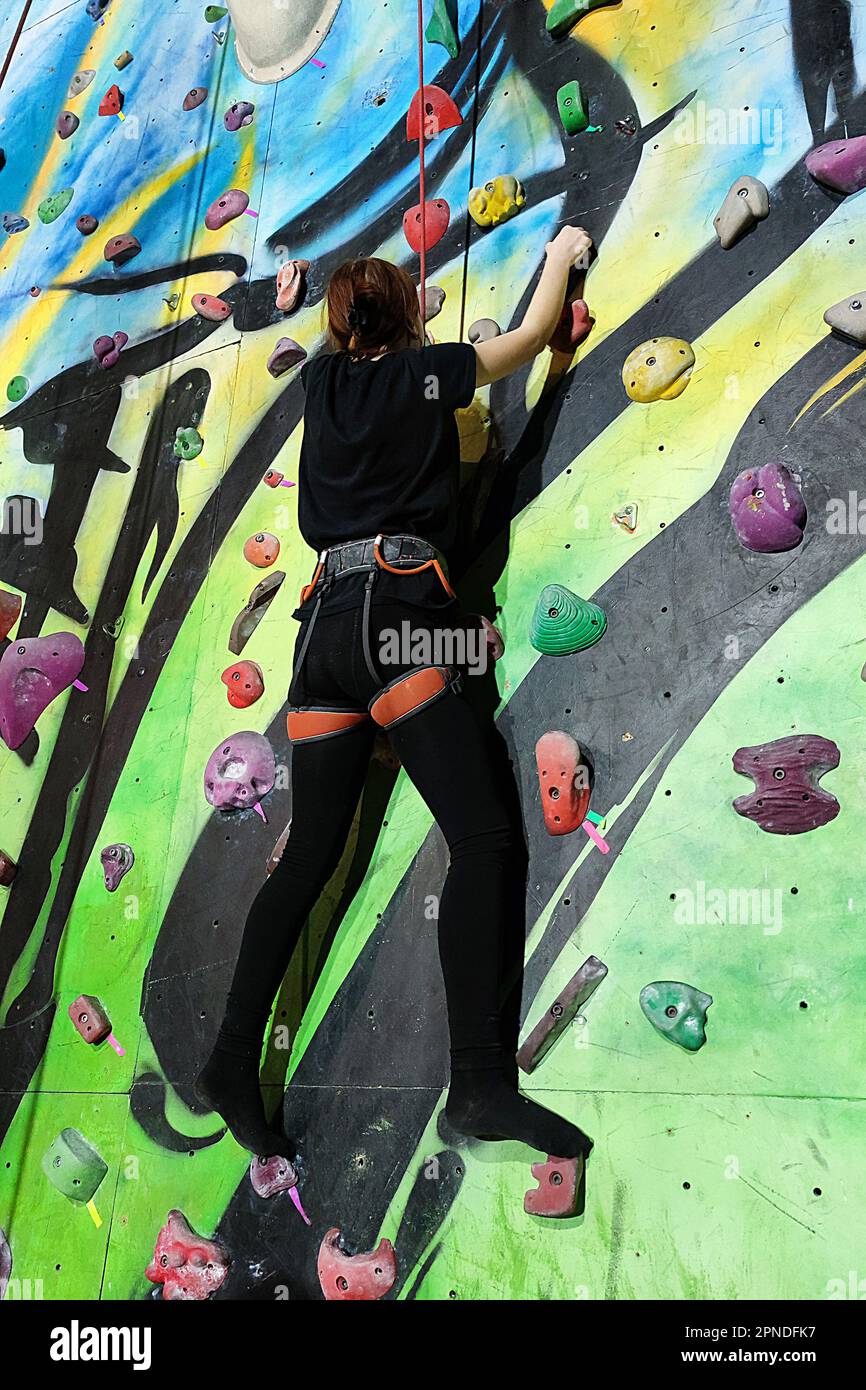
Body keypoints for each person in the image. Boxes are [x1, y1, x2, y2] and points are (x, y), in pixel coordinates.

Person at [197, 225, 595, 1163]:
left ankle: (227, 1059)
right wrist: (565, 251)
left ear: (341, 325)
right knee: (485, 834)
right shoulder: (431, 371)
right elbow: (535, 337)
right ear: (410, 313)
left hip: (321, 638)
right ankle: (481, 1082)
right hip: (397, 613)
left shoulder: (322, 385)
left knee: (306, 865)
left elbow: (342, 343)